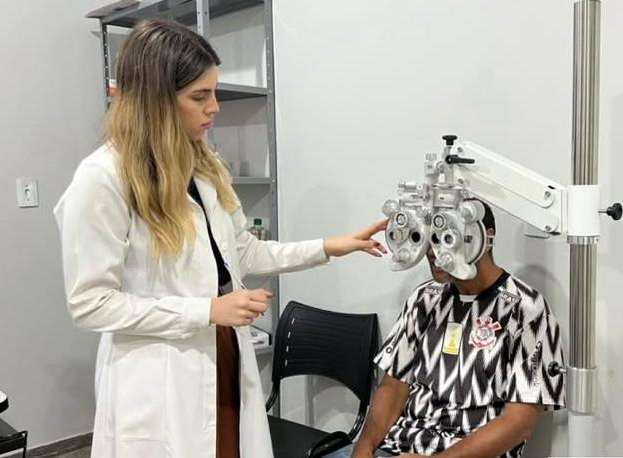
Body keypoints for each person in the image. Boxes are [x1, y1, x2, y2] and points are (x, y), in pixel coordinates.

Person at [53, 19, 386, 458]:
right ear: (156, 101)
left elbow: (243, 253)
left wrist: (330, 246)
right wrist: (206, 310)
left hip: (222, 352)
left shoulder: (202, 168)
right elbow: (90, 303)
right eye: (199, 96)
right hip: (160, 373)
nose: (214, 108)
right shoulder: (102, 179)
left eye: (213, 93)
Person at [329, 200, 565, 458]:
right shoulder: (424, 298)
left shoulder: (526, 309)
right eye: (431, 238)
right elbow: (394, 386)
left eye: (448, 238)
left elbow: (520, 422)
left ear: (485, 239)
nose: (433, 251)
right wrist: (362, 450)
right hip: (399, 447)